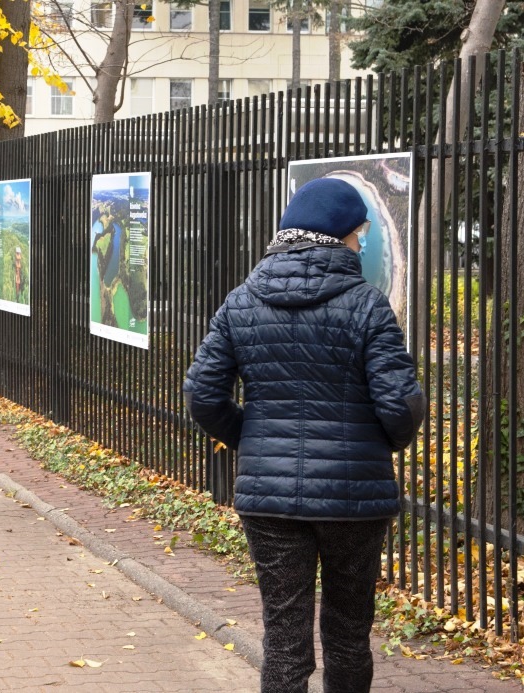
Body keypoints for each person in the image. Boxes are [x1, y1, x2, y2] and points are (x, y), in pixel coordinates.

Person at [183, 177, 425, 693]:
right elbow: (400, 404)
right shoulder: (366, 305)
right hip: (353, 498)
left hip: (267, 499)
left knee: (285, 636)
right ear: (338, 236)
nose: (361, 244)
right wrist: (378, 444)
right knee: (348, 631)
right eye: (359, 235)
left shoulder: (241, 301)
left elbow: (203, 395)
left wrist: (251, 437)